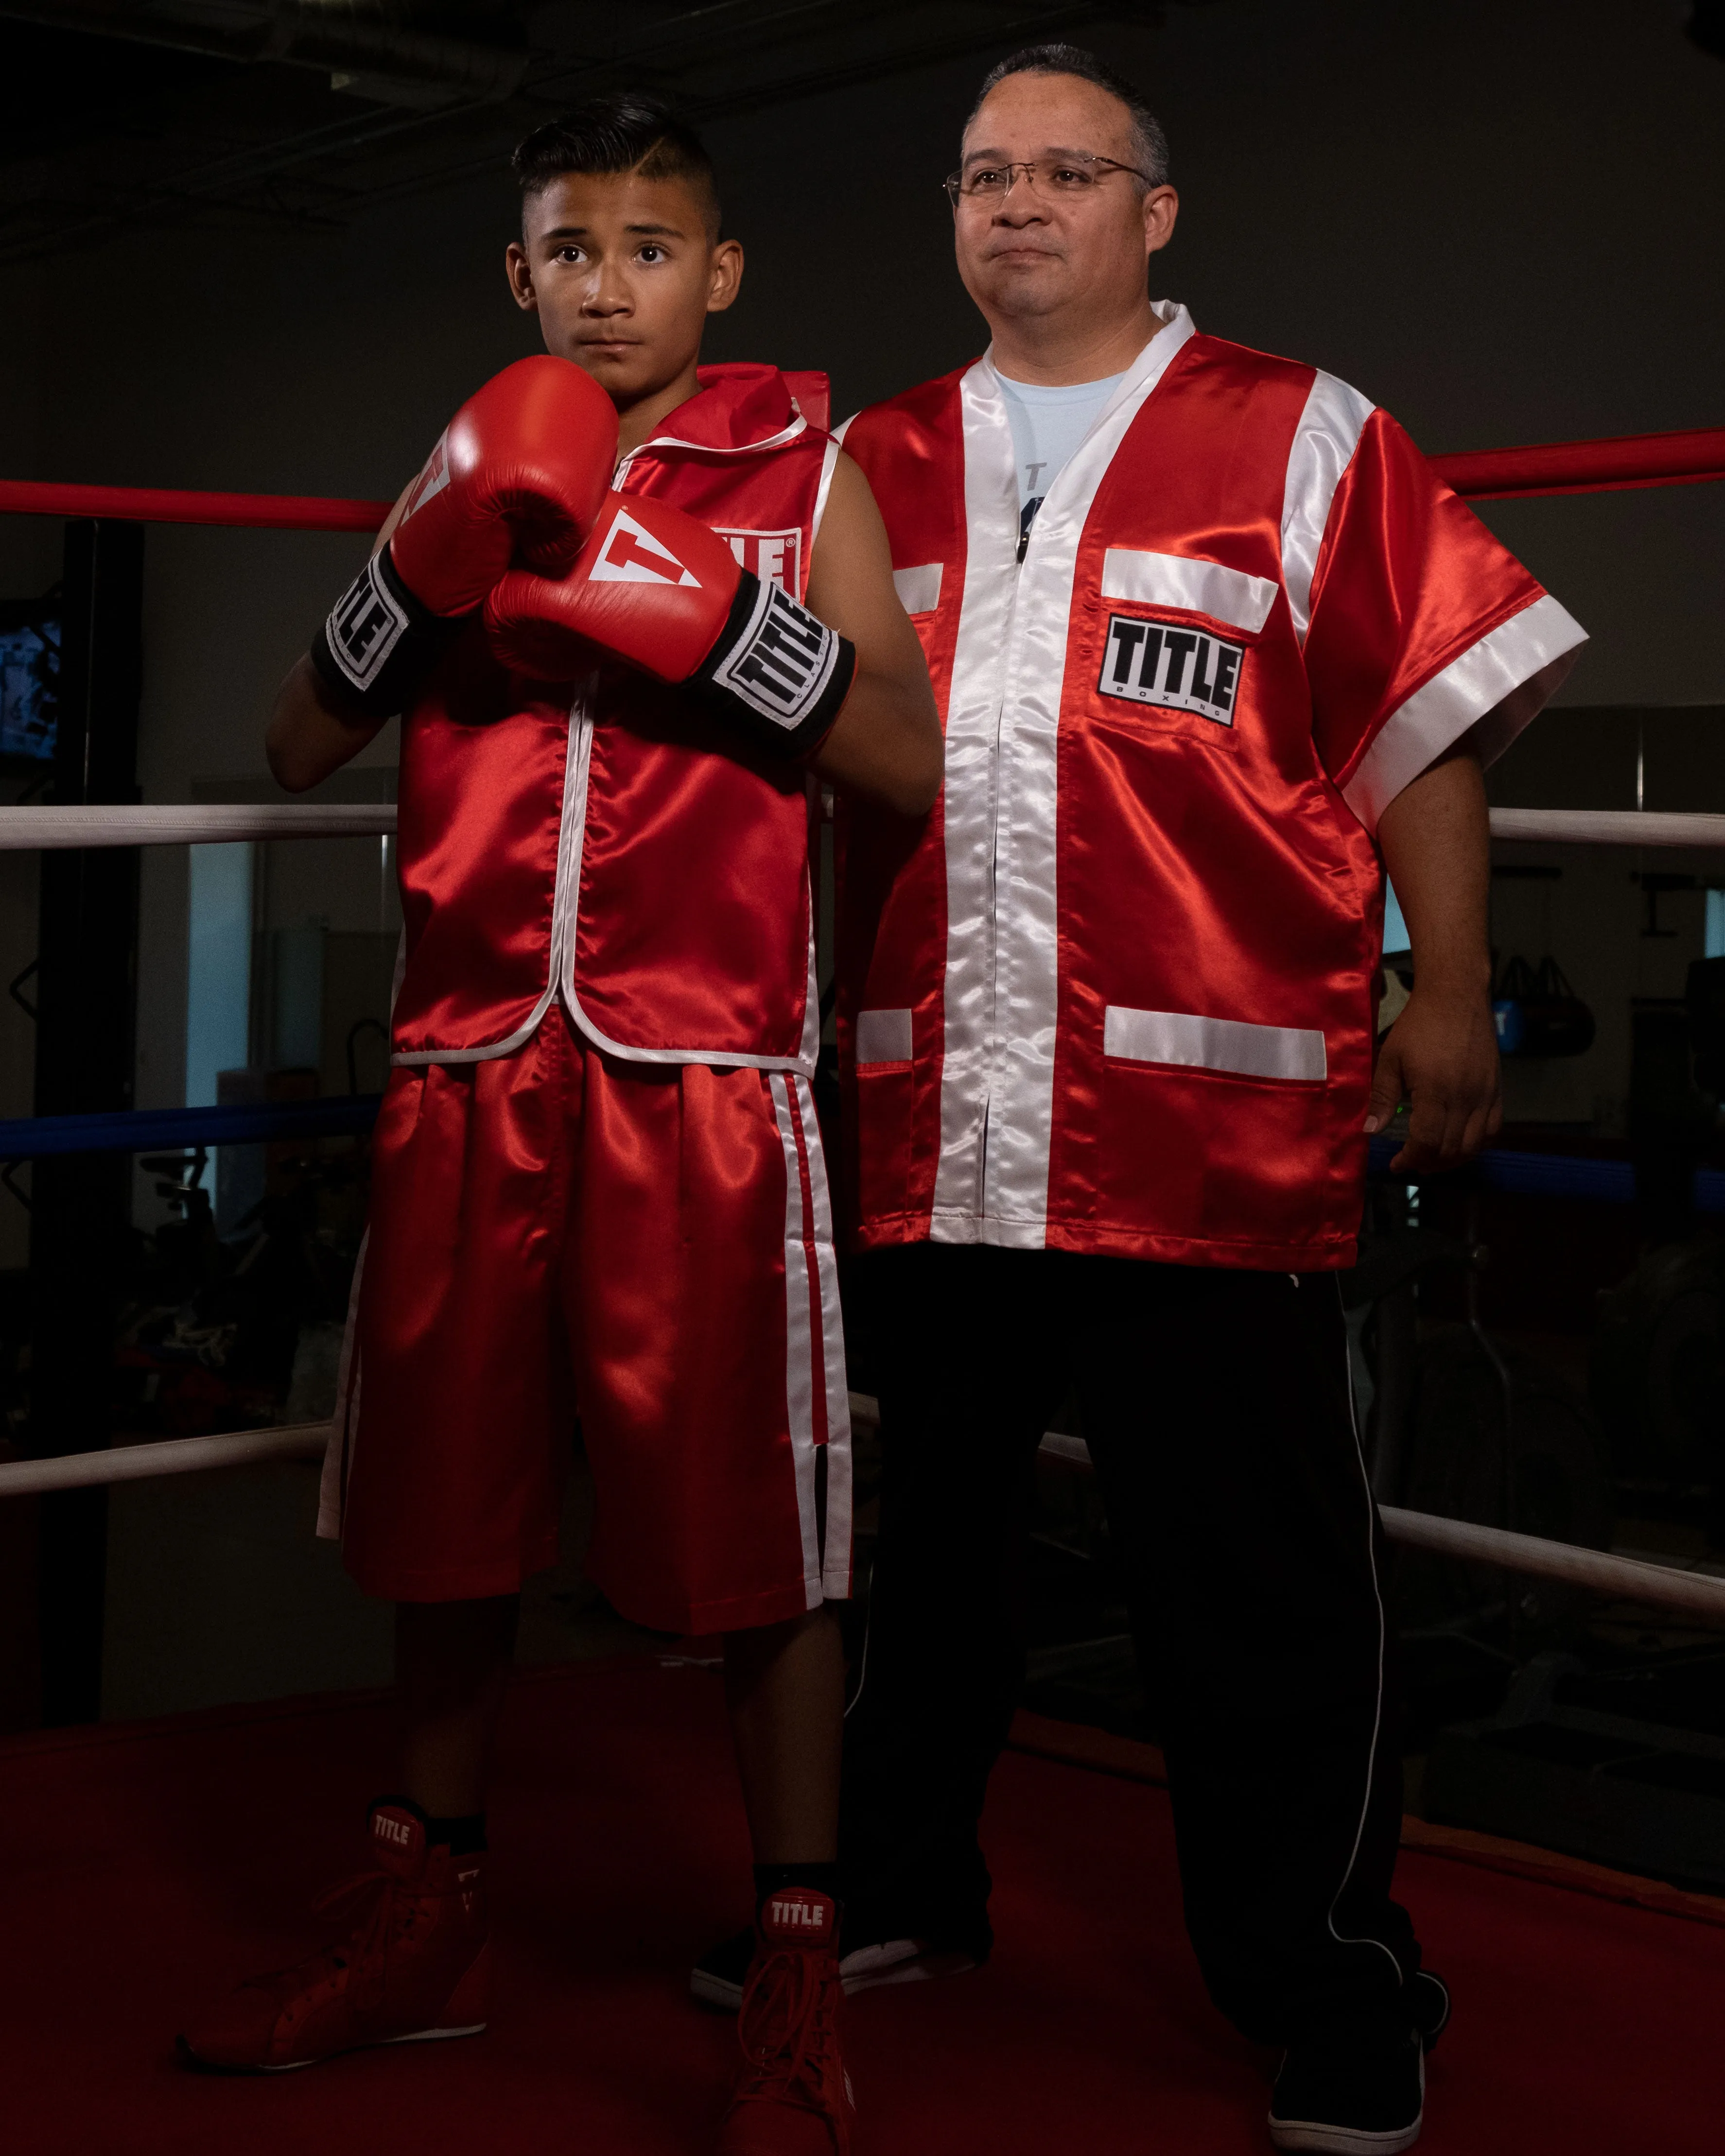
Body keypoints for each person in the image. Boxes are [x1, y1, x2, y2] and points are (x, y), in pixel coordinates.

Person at [699, 42, 1587, 2156]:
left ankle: (1331, 1981)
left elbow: (1419, 724)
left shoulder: (1299, 430)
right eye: (982, 173)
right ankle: (899, 1884)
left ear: (1152, 212)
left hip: (1205, 1140)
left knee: (1252, 1582)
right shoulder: (864, 461)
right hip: (931, 1116)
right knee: (920, 1559)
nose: (1016, 204)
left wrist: (1443, 989)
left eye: (1066, 171)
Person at [179, 94, 941, 2156]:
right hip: (462, 1060)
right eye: (570, 248)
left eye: (647, 245)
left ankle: (793, 1955)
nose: (608, 282)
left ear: (721, 274)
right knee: (441, 1511)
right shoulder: (459, 460)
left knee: (757, 1542)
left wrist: (709, 620)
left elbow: (896, 753)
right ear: (517, 276)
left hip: (701, 1075)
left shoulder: (810, 465)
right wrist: (413, 573)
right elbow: (290, 732)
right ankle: (425, 1906)